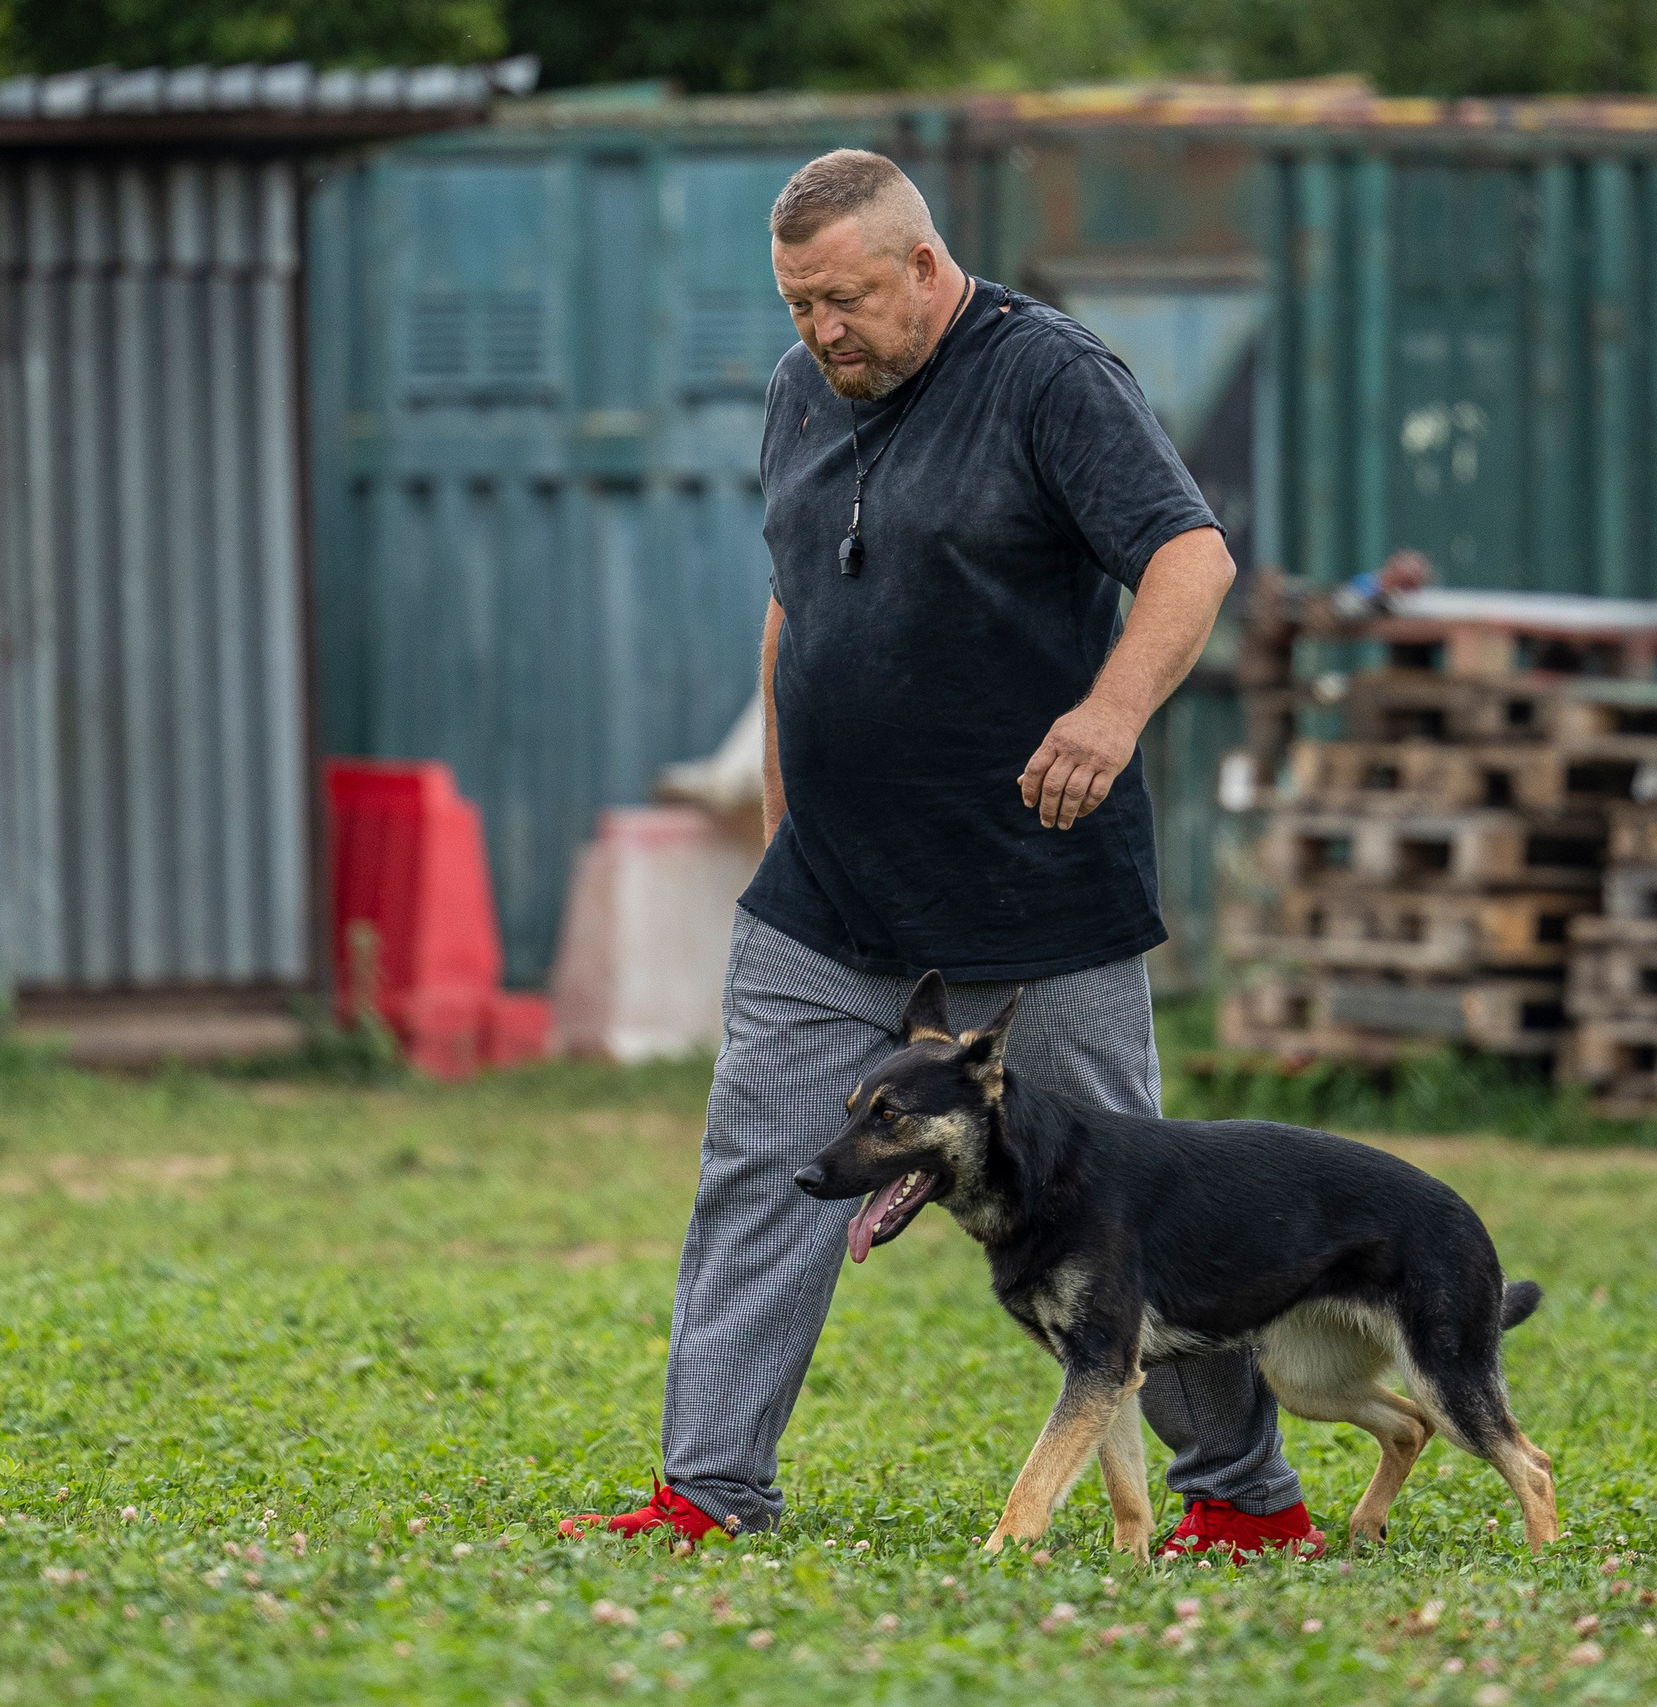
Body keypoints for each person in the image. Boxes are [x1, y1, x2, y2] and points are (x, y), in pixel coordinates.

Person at [560, 149, 1321, 1559]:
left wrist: (1108, 709)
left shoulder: (1052, 379)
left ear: (922, 266)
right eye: (797, 306)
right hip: (829, 891)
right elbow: (797, 604)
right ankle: (708, 1489)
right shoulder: (802, 392)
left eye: (844, 299)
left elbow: (1189, 557)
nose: (821, 333)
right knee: (759, 1159)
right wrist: (786, 813)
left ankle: (1245, 1497)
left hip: (1032, 890)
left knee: (1123, 1201)